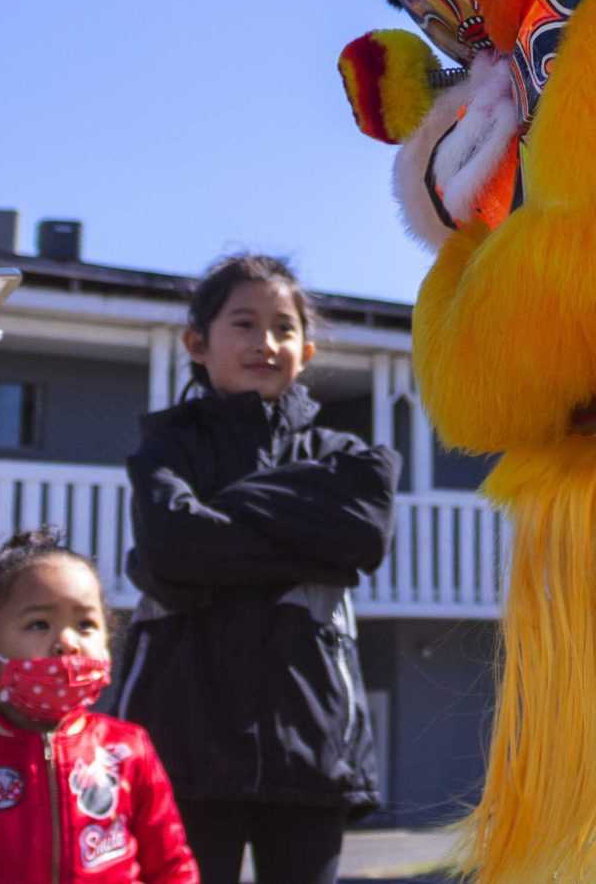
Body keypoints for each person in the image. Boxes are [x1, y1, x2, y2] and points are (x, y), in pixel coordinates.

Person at [110, 255, 399, 884]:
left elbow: (364, 532)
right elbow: (171, 546)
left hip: (311, 737)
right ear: (198, 344)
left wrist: (223, 509)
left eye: (283, 327)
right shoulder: (167, 446)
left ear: (308, 348)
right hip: (183, 740)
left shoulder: (345, 455)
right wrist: (300, 529)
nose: (265, 343)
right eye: (243, 324)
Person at [0, 528, 199, 884]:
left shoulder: (129, 748)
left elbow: (171, 867)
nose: (67, 642)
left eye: (86, 624)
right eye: (39, 624)